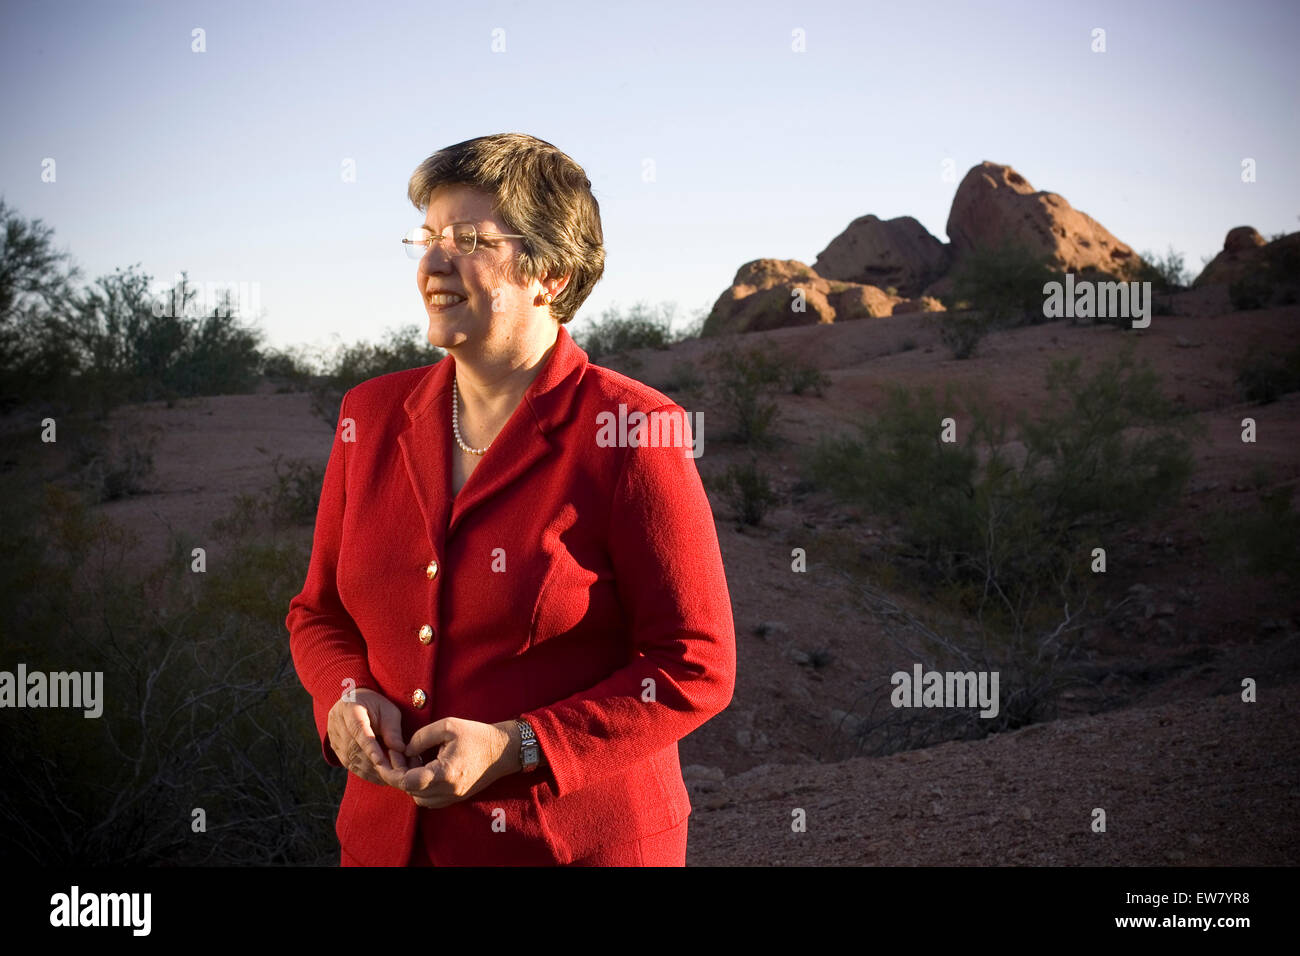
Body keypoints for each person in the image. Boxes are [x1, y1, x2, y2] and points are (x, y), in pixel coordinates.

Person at [286, 132, 736, 866]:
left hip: (572, 847)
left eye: (466, 239)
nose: (433, 261)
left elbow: (697, 663)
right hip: (385, 845)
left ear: (550, 272)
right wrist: (345, 696)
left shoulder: (633, 429)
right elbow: (318, 611)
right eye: (426, 237)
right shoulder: (367, 416)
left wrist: (516, 746)